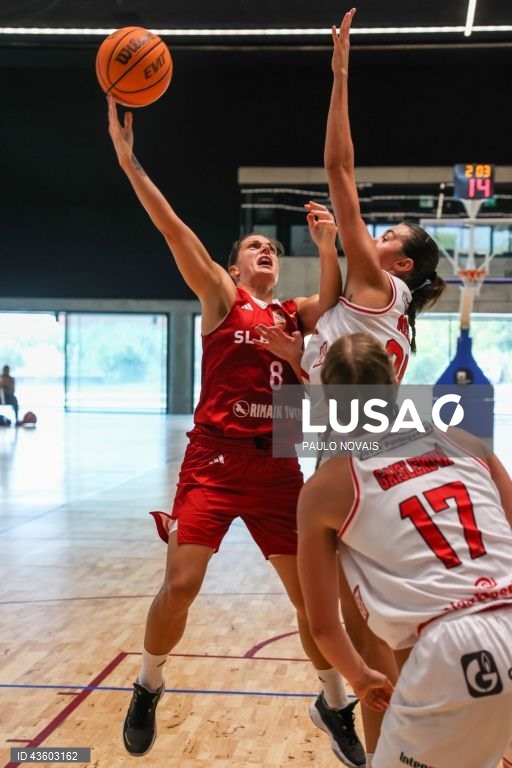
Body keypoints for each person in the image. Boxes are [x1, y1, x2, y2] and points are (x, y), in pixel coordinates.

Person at [106, 94, 368, 767]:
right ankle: (147, 681)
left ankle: (333, 703)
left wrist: (328, 245)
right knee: (183, 584)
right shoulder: (223, 299)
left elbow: (333, 301)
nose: (266, 252)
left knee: (314, 605)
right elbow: (174, 232)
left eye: (272, 250)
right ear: (230, 267)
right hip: (216, 461)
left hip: (280, 465)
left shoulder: (292, 314)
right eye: (255, 246)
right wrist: (131, 164)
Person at [297, 331, 512, 768]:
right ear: (397, 381)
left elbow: (323, 626)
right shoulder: (469, 443)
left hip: (457, 650)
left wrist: (359, 677)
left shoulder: (327, 486)